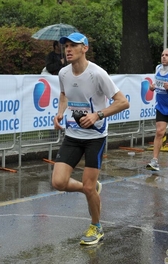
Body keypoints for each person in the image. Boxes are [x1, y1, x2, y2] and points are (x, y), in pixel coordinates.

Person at [51, 32, 129, 245]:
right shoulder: (64, 73)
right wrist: (60, 113)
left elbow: (123, 102)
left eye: (73, 46)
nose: (68, 49)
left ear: (84, 48)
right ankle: (92, 189)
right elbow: (64, 95)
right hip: (73, 134)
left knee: (87, 186)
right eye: (65, 46)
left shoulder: (97, 74)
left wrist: (97, 114)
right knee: (58, 182)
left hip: (95, 136)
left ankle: (96, 226)